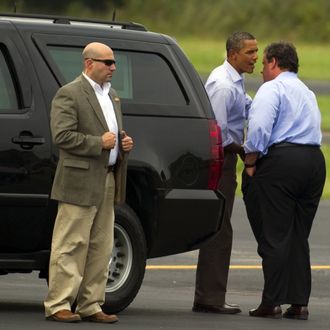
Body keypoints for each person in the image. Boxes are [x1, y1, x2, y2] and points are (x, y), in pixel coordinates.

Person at [44, 42, 133, 323]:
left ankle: (91, 304)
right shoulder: (69, 94)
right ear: (88, 63)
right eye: (107, 62)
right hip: (79, 180)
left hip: (107, 179)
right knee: (70, 243)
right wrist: (100, 143)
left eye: (114, 63)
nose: (113, 68)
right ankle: (59, 303)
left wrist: (123, 144)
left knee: (101, 246)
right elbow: (62, 136)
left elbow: (112, 137)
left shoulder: (112, 96)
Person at [242, 42, 326, 320]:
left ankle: (272, 301)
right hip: (314, 160)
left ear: (274, 62)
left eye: (264, 63)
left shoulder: (272, 88)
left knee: (275, 234)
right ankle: (299, 303)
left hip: (283, 162)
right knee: (297, 236)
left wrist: (251, 162)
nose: (262, 69)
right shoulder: (306, 91)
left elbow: (260, 128)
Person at [193, 32, 258, 314]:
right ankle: (210, 298)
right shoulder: (222, 85)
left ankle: (210, 295)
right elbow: (216, 133)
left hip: (227, 159)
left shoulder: (234, 80)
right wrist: (243, 149)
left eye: (257, 51)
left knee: (221, 227)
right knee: (220, 228)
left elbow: (249, 107)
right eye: (250, 52)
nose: (255, 56)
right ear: (233, 55)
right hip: (221, 161)